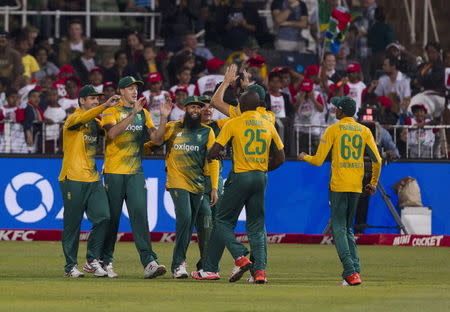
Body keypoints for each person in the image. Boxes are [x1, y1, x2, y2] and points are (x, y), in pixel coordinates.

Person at [192, 89, 285, 284]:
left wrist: (216, 152)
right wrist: (262, 168)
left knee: (222, 220)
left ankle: (240, 256)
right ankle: (259, 272)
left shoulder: (234, 123)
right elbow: (280, 157)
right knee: (257, 226)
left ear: (241, 106)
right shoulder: (268, 124)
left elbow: (213, 152)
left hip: (240, 176)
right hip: (261, 177)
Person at [298, 96, 382, 286]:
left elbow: (319, 160)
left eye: (337, 107)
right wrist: (373, 182)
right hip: (356, 186)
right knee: (347, 228)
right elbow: (377, 160)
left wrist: (304, 157)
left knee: (338, 230)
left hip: (338, 185)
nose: (334, 109)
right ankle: (356, 268)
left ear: (342, 111)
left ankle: (351, 272)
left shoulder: (333, 129)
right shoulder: (364, 131)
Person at [100, 76, 171, 279]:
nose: (134, 92)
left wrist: (164, 117)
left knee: (140, 216)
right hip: (113, 172)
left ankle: (149, 261)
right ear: (121, 91)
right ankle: (105, 262)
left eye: (136, 88)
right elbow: (112, 133)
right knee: (111, 220)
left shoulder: (144, 114)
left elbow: (157, 140)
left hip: (135, 173)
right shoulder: (110, 111)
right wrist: (133, 113)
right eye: (130, 88)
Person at [156, 95, 219, 278]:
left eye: (198, 108)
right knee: (185, 218)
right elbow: (157, 141)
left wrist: (214, 187)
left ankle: (205, 264)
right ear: (185, 109)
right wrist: (163, 117)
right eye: (192, 107)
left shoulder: (207, 132)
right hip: (177, 181)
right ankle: (178, 265)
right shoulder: (173, 128)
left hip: (198, 184)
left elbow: (213, 161)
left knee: (195, 222)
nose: (196, 110)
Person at [59, 85, 119, 278]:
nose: (96, 101)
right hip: (73, 178)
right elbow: (83, 118)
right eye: (92, 98)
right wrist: (103, 107)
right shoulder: (73, 119)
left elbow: (112, 133)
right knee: (73, 224)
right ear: (82, 100)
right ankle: (70, 267)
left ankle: (92, 260)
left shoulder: (96, 121)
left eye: (98, 99)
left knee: (103, 217)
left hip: (93, 179)